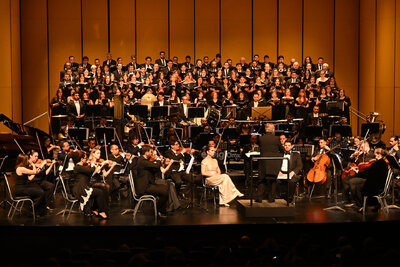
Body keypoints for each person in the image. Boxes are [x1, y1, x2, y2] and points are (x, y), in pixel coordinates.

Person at [70, 150, 108, 218]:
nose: (86, 159)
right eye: (85, 158)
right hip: (80, 188)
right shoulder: (77, 167)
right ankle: (102, 211)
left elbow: (90, 173)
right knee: (99, 192)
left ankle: (93, 209)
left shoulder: (82, 166)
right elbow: (90, 170)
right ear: (81, 159)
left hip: (84, 186)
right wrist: (99, 164)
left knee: (98, 191)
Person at [135, 145, 169, 217]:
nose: (152, 154)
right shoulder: (141, 161)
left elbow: (154, 169)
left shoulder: (146, 161)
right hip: (144, 187)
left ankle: (160, 209)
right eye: (151, 152)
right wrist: (158, 160)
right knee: (164, 191)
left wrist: (159, 162)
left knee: (165, 188)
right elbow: (155, 166)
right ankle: (158, 209)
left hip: (149, 184)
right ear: (146, 152)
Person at [256, 123, 282, 203]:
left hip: (263, 162)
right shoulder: (276, 138)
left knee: (262, 180)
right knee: (273, 180)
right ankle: (271, 198)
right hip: (273, 162)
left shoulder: (260, 139)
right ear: (273, 130)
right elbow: (281, 149)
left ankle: (259, 198)